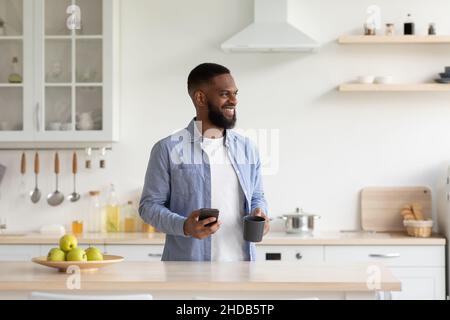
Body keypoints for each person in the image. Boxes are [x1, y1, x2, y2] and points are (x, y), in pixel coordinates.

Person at [139, 63, 269, 261]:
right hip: (187, 269)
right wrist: (185, 226)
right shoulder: (167, 149)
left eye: (235, 93)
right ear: (200, 98)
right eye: (225, 94)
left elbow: (257, 195)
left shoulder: (247, 148)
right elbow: (149, 207)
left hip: (242, 268)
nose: (234, 100)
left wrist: (261, 215)